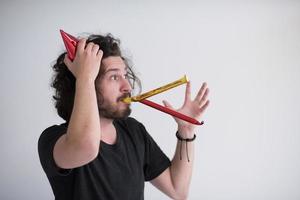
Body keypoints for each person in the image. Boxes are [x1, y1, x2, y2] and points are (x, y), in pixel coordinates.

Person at [38, 32, 210, 200]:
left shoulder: (133, 130)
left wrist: (186, 132)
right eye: (113, 77)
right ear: (84, 81)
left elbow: (177, 190)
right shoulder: (54, 139)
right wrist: (85, 76)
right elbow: (86, 147)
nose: (127, 86)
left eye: (125, 75)